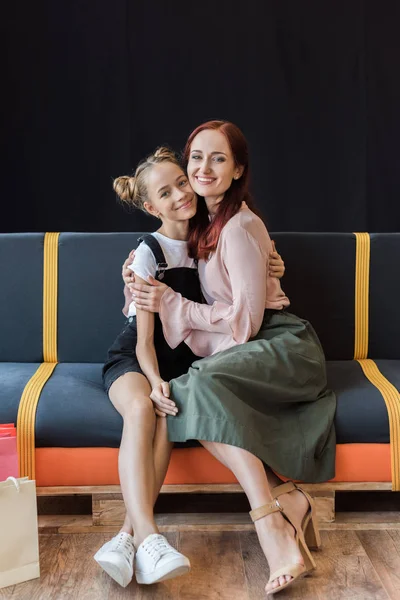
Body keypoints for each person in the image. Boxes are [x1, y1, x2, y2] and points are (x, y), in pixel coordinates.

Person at [130, 120, 337, 596]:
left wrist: (171, 304)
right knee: (185, 393)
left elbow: (244, 325)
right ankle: (287, 502)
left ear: (237, 168)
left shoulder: (241, 225)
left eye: (218, 158)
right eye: (196, 157)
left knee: (189, 389)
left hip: (282, 346)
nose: (203, 168)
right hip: (253, 346)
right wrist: (136, 272)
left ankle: (271, 524)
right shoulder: (205, 222)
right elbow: (164, 251)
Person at [94, 145, 287, 589]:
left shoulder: (216, 235)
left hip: (185, 364)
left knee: (164, 418)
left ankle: (125, 538)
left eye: (182, 182)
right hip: (137, 360)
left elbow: (254, 267)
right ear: (150, 206)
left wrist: (274, 262)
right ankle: (149, 535)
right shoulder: (149, 253)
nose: (182, 193)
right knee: (144, 409)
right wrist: (156, 380)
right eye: (167, 192)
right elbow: (144, 341)